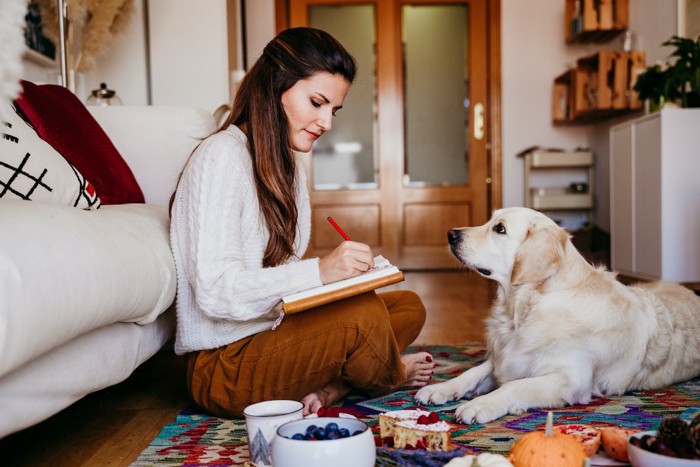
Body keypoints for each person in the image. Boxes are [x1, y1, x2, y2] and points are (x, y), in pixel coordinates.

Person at [169, 27, 435, 418]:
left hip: (271, 334)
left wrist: (344, 283)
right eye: (317, 102)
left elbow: (283, 280)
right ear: (277, 85)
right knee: (363, 320)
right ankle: (385, 374)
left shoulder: (288, 167)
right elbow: (216, 292)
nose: (326, 122)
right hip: (223, 367)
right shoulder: (221, 157)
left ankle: (334, 386)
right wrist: (322, 271)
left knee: (405, 306)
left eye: (334, 110)